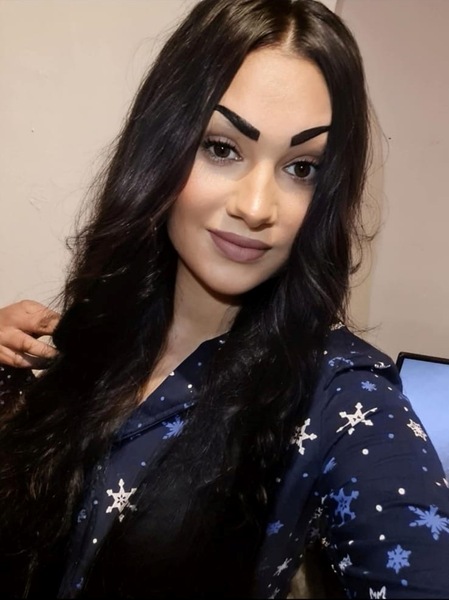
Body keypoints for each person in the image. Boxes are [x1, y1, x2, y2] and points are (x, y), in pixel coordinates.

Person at [0, 0, 448, 597]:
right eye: (222, 147)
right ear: (162, 145)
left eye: (303, 168)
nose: (256, 207)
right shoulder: (92, 327)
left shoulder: (343, 397)